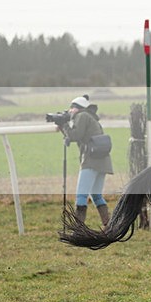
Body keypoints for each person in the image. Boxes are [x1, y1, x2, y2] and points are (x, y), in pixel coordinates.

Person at [60, 94, 113, 225]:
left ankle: (79, 228)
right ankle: (109, 226)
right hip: (103, 162)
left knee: (81, 196)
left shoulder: (82, 116)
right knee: (96, 195)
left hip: (91, 161)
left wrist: (64, 125)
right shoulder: (91, 117)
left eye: (72, 108)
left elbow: (75, 135)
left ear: (78, 108)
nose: (70, 111)